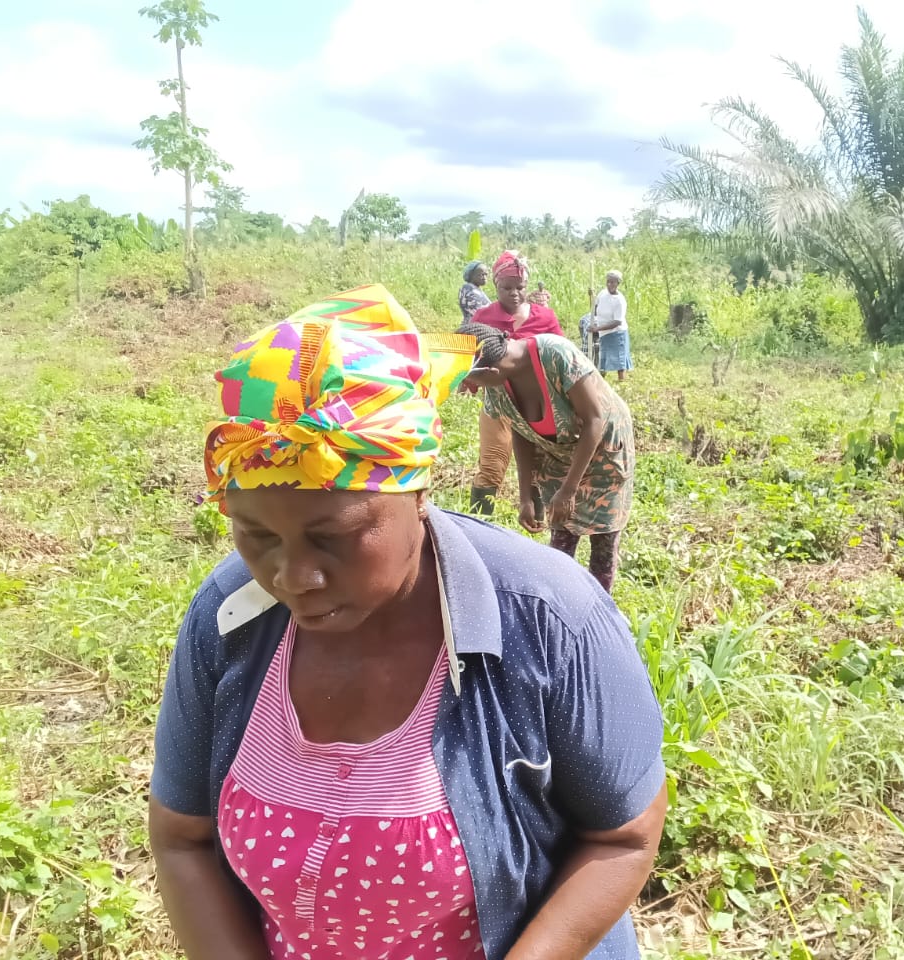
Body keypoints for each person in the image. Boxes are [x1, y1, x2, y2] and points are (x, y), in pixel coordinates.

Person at [149, 283, 667, 960]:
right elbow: (182, 837)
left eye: (333, 535)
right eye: (257, 536)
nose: (292, 576)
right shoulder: (229, 615)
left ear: (417, 492)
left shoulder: (551, 617)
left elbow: (623, 836)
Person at [459, 321, 634, 594]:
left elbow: (594, 421)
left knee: (603, 539)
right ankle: (563, 604)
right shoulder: (496, 384)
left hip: (602, 447)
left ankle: (601, 611)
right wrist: (527, 496)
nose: (469, 388)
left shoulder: (556, 355)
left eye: (470, 380)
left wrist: (569, 489)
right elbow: (521, 430)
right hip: (556, 451)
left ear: (490, 370)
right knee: (562, 535)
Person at [466, 251, 563, 516]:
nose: (514, 293)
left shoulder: (545, 318)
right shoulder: (484, 317)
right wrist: (468, 381)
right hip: (497, 401)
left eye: (519, 288)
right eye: (506, 288)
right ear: (496, 286)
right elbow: (468, 355)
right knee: (491, 465)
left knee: (537, 466)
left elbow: (561, 355)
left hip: (535, 403)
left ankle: (536, 520)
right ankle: (479, 521)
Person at [590, 270, 632, 382]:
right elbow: (594, 306)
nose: (610, 285)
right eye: (608, 282)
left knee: (619, 361)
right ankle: (600, 382)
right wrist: (591, 296)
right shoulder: (602, 293)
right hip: (604, 332)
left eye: (613, 282)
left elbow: (617, 322)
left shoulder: (620, 301)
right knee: (603, 359)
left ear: (618, 283)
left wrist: (597, 328)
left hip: (617, 333)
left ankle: (621, 382)